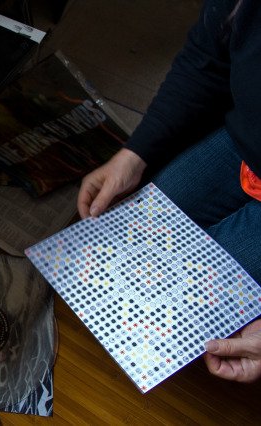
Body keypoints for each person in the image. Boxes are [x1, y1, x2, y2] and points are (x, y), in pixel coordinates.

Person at [76, 0, 261, 384]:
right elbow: (207, 60)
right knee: (131, 243)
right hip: (246, 143)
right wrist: (135, 154)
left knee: (193, 311)